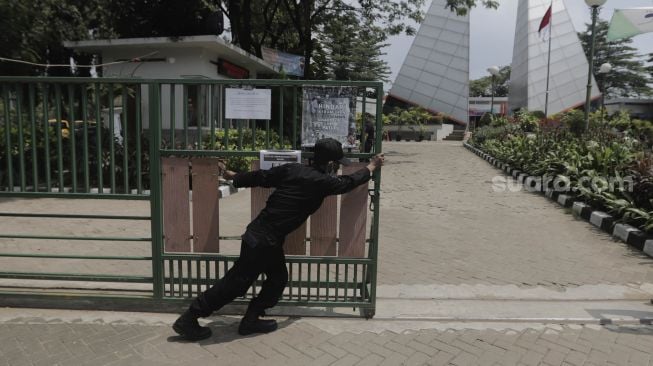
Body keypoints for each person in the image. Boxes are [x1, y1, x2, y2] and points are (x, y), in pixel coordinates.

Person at [173, 138, 385, 341]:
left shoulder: (293, 170)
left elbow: (262, 177)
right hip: (263, 241)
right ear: (330, 163)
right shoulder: (322, 181)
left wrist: (235, 177)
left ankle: (251, 319)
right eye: (337, 164)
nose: (337, 168)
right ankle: (189, 318)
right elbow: (348, 182)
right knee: (236, 284)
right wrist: (372, 167)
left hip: (265, 238)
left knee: (278, 278)